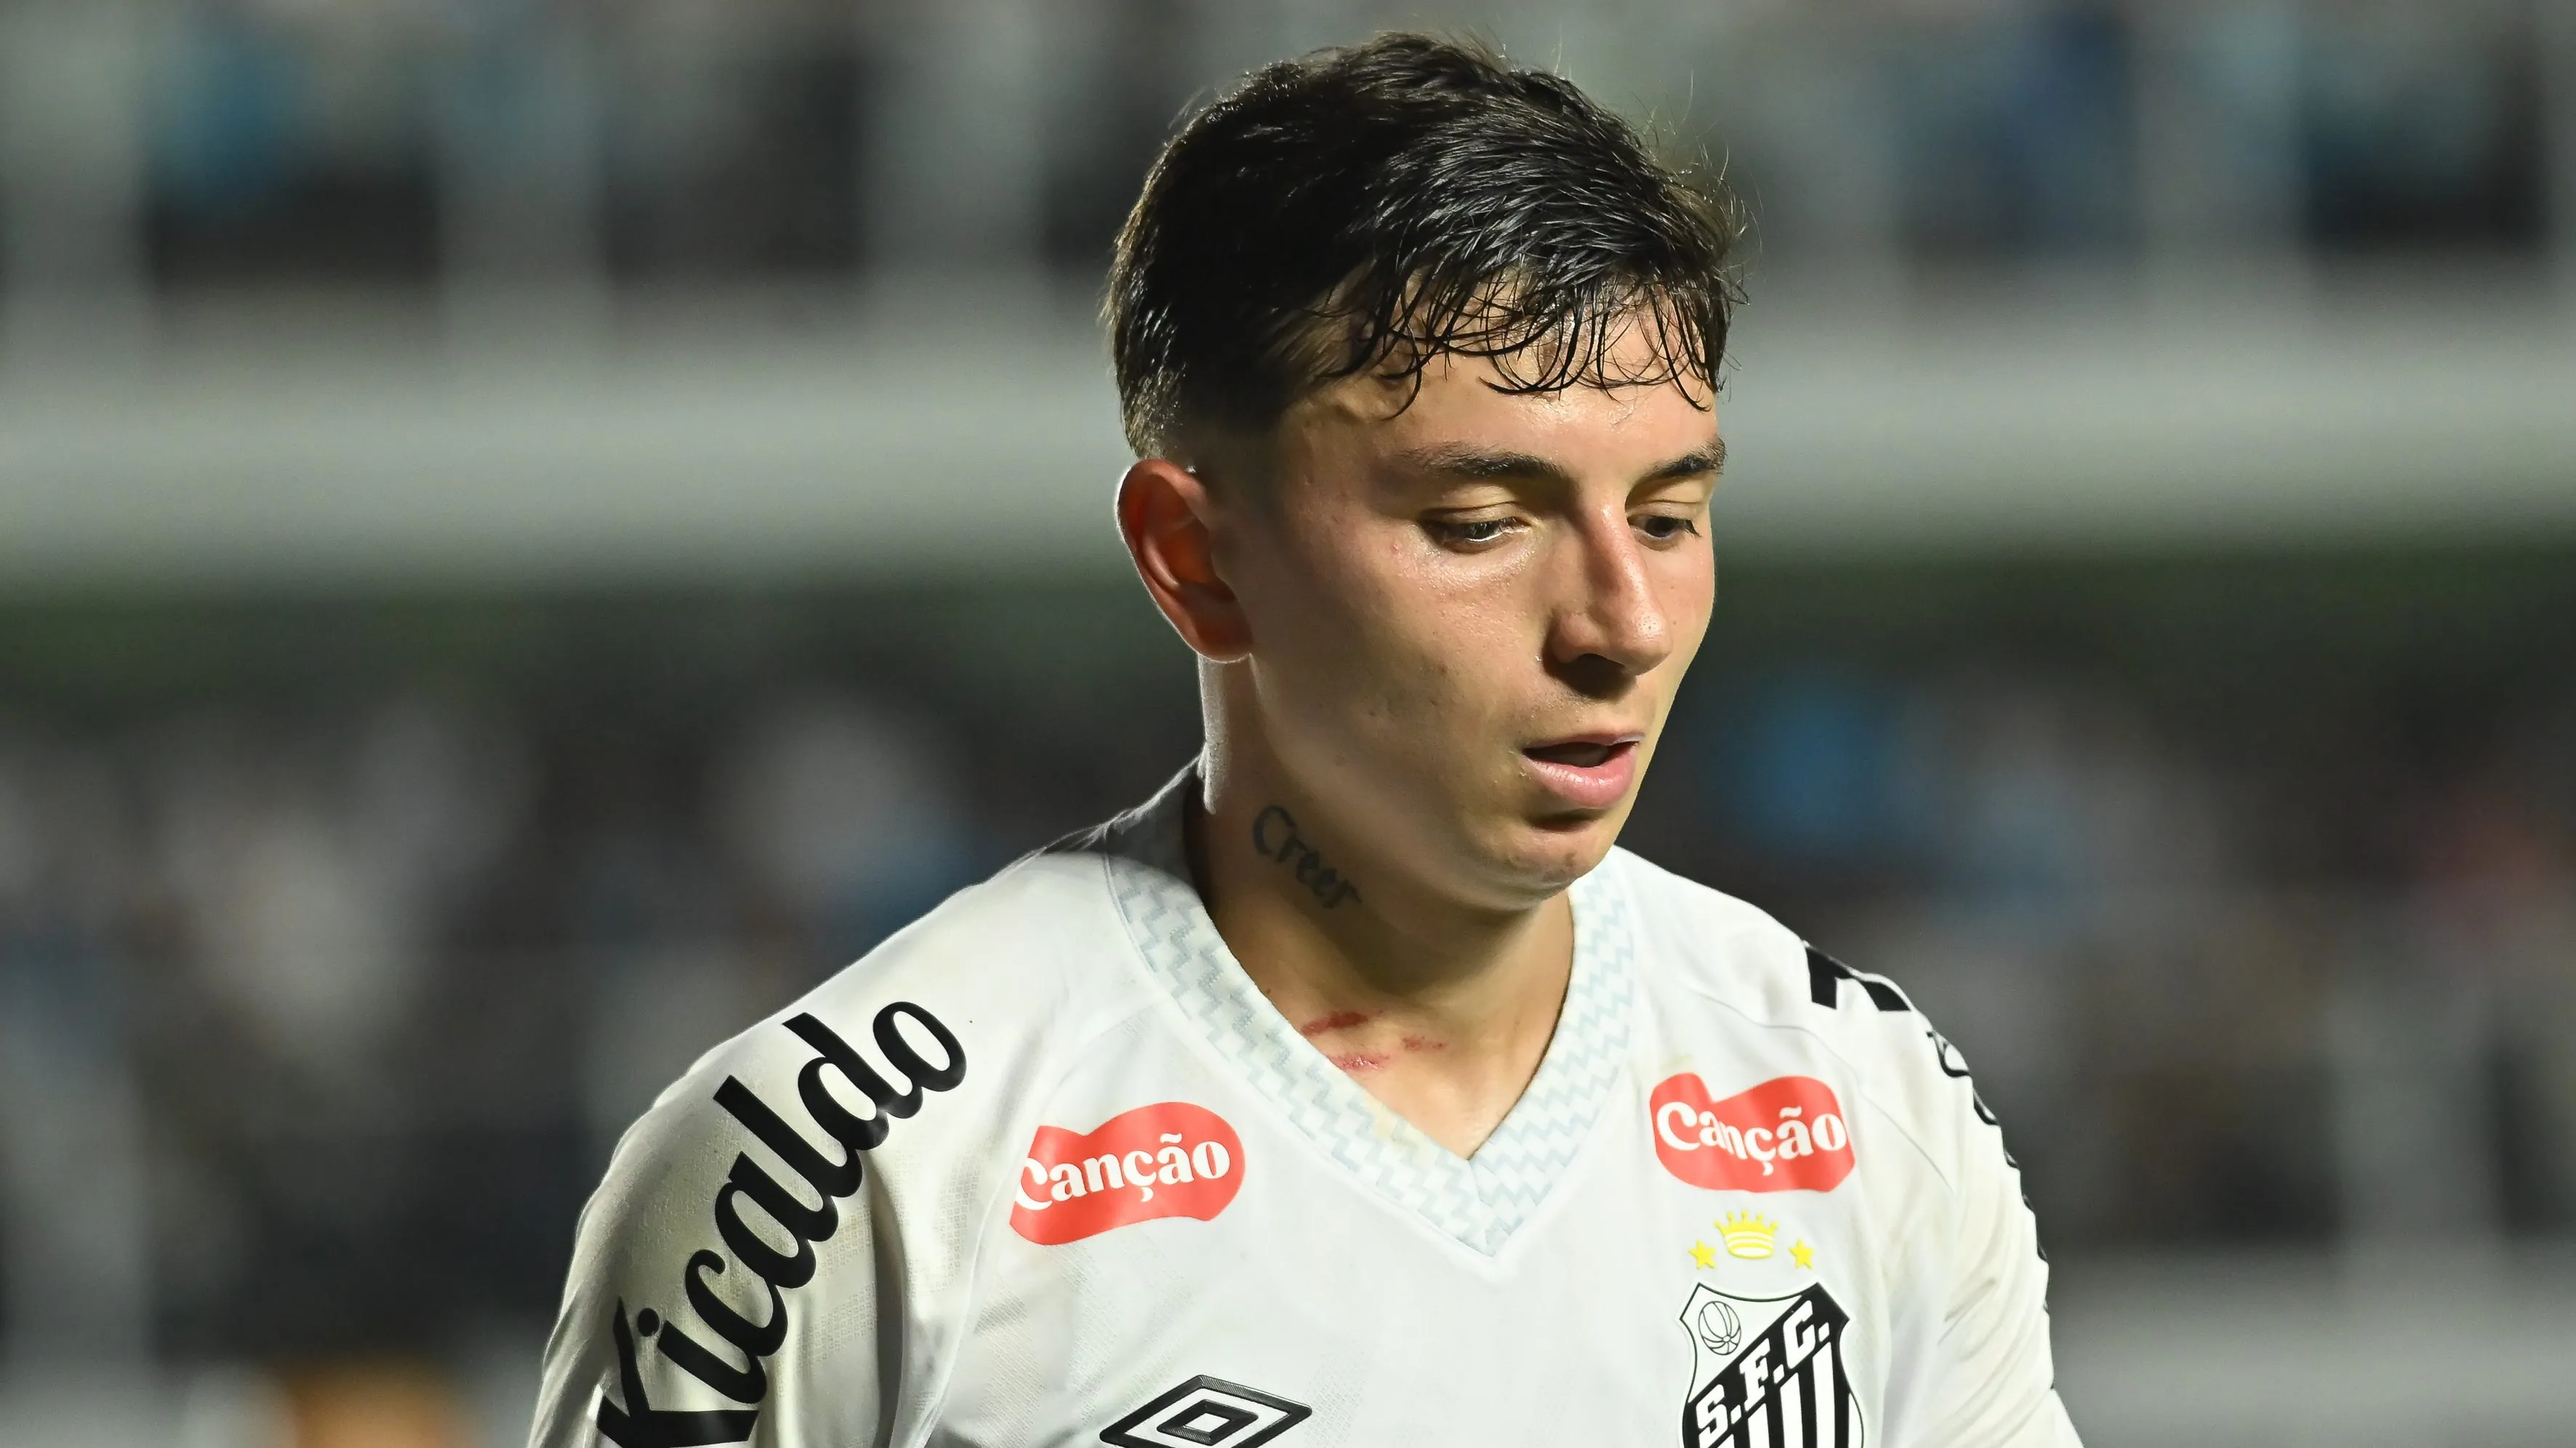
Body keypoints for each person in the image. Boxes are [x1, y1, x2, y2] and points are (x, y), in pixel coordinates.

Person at [529, 33, 2078, 1448]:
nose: (1622, 620)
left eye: (1670, 515)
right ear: (1196, 561)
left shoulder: (1864, 1105)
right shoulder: (831, 1178)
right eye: (1480, 522)